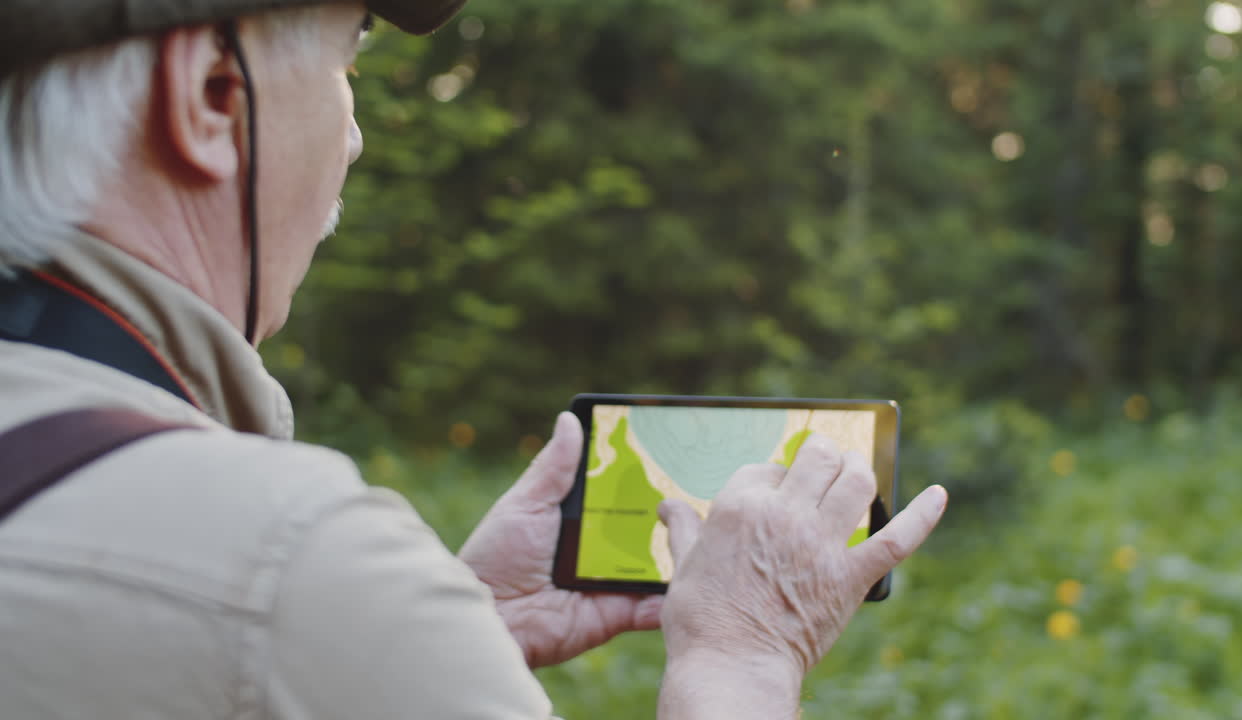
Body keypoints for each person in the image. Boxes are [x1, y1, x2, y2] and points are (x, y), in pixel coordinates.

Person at [0, 2, 949, 718]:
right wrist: (740, 661)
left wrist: (426, 640)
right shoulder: (295, 568)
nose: (354, 134)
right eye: (346, 61)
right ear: (213, 94)